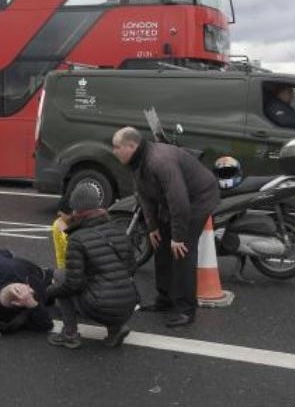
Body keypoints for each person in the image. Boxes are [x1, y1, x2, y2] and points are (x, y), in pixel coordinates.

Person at [112, 126, 219, 328]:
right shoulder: (138, 162)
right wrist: (153, 227)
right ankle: (165, 299)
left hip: (198, 198)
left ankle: (186, 310)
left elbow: (179, 201)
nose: (113, 151)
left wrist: (178, 236)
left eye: (116, 147)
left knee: (182, 252)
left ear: (131, 146)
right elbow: (144, 196)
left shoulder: (159, 161)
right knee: (160, 243)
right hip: (171, 201)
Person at [45, 183, 137, 349]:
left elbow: (72, 284)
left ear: (76, 211)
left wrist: (49, 293)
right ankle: (116, 328)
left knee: (60, 276)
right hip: (129, 303)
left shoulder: (77, 238)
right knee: (107, 281)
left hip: (101, 306)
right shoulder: (118, 229)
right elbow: (131, 268)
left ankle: (69, 334)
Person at [0, 249, 54, 334]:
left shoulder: (5, 267)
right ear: (18, 303)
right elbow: (47, 325)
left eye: (26, 286)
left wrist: (9, 254)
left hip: (37, 272)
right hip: (48, 284)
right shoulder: (19, 313)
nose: (31, 290)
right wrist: (32, 304)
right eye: (30, 293)